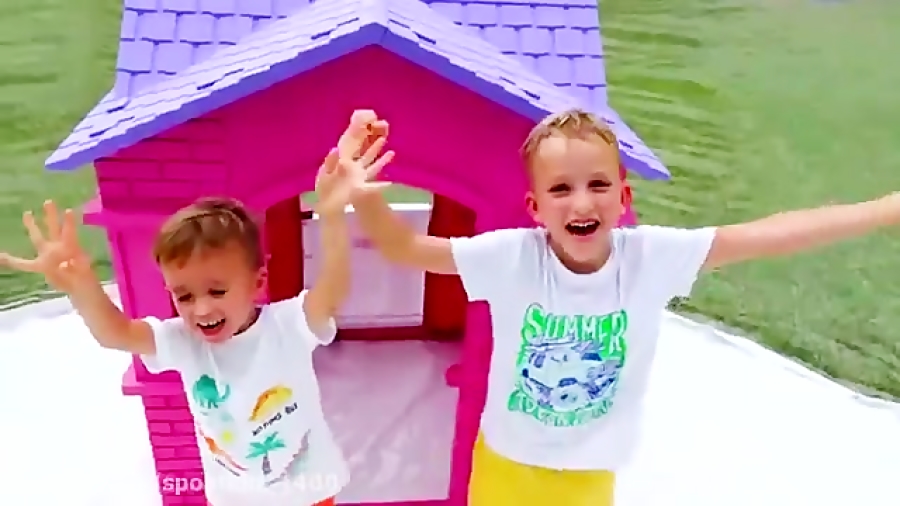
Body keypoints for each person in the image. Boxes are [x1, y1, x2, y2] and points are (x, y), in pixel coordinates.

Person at [338, 108, 900, 506]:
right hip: (507, 464)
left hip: (588, 473)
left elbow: (765, 236)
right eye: (561, 189)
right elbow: (405, 248)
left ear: (624, 198)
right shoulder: (513, 257)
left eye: (598, 184)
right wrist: (363, 192)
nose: (581, 202)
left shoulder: (649, 259)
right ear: (535, 208)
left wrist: (882, 210)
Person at [0, 113, 394, 506]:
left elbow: (332, 291)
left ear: (258, 282)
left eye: (217, 291)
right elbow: (115, 333)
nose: (201, 308)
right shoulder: (181, 340)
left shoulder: (287, 325)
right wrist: (81, 284)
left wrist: (331, 215)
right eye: (184, 296)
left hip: (309, 493)